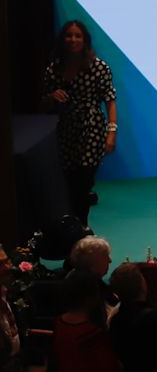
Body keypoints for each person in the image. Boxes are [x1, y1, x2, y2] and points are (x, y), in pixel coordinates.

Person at [44, 20, 118, 226]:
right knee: (70, 181)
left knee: (84, 179)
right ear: (63, 39)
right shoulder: (55, 68)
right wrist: (52, 96)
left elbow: (110, 99)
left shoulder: (98, 67)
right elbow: (44, 101)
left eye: (78, 35)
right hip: (67, 128)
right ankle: (75, 227)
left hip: (91, 128)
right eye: (69, 35)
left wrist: (111, 131)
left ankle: (81, 226)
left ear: (85, 40)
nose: (73, 39)